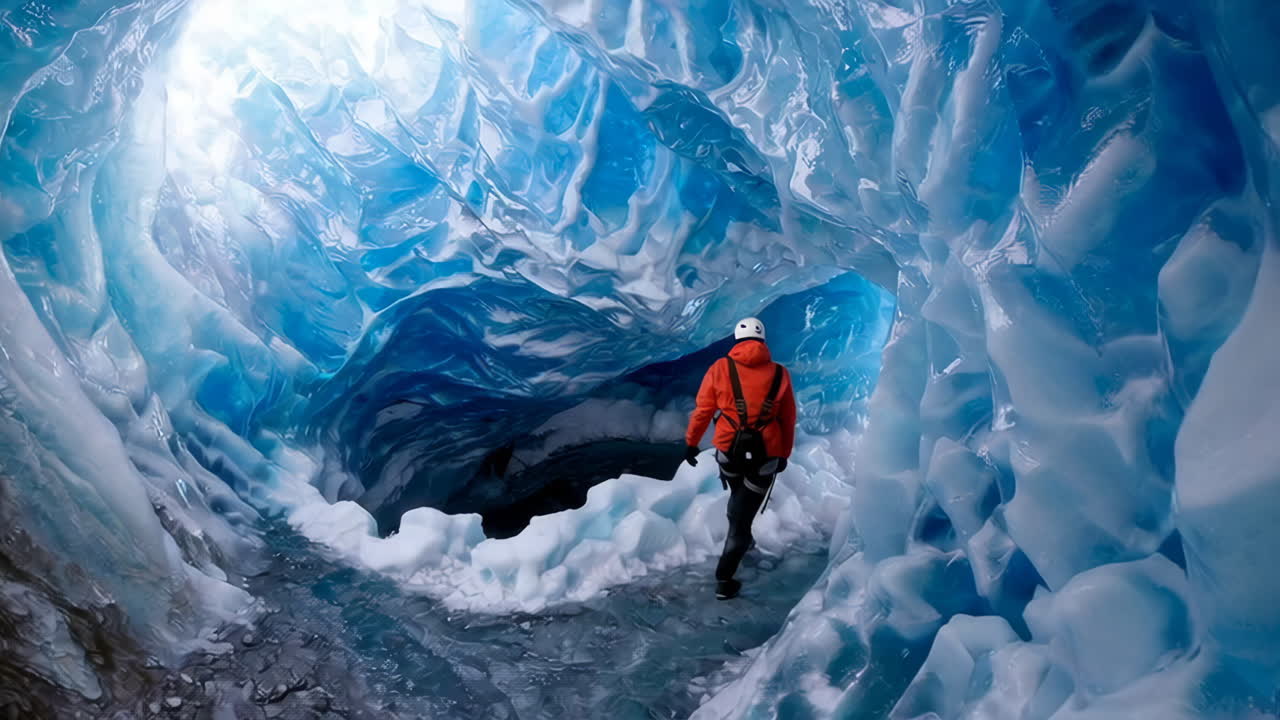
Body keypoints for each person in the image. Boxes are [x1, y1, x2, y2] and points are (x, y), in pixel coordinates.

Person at [683, 317, 797, 600]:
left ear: (736, 339)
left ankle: (743, 542)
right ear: (763, 340)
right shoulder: (780, 374)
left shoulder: (720, 368)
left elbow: (703, 411)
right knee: (741, 518)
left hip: (728, 451)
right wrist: (784, 454)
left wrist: (691, 443)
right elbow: (788, 419)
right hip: (766, 454)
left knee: (739, 502)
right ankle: (724, 579)